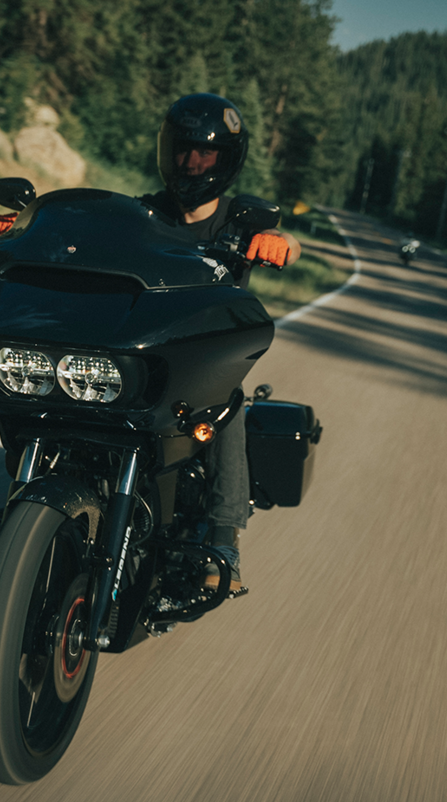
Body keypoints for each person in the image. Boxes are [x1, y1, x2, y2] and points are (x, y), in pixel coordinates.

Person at [141, 93, 300, 593]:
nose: (191, 162)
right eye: (184, 150)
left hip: (205, 358)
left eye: (205, 153)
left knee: (228, 404)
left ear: (224, 161)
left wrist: (279, 244)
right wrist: (30, 230)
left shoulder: (238, 219)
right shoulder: (145, 213)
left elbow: (292, 243)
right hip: (145, 349)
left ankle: (225, 536)